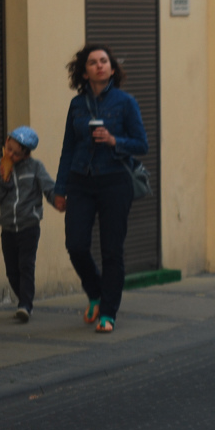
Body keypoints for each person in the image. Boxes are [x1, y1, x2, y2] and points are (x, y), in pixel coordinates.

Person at [53, 44, 148, 334]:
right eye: (93, 62)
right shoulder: (77, 105)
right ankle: (94, 292)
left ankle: (108, 312)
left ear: (112, 68)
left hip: (115, 181)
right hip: (81, 181)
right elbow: (68, 149)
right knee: (76, 245)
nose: (100, 66)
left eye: (104, 61)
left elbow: (141, 144)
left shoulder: (125, 102)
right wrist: (60, 189)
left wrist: (113, 140)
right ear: (84, 71)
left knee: (111, 251)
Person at [0, 126, 60, 323]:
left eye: (16, 153)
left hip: (29, 225)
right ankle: (23, 300)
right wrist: (3, 181)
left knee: (25, 265)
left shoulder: (35, 168)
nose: (10, 154)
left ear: (26, 155)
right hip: (8, 227)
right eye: (8, 148)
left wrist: (59, 201)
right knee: (12, 270)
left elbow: (48, 188)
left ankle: (25, 306)